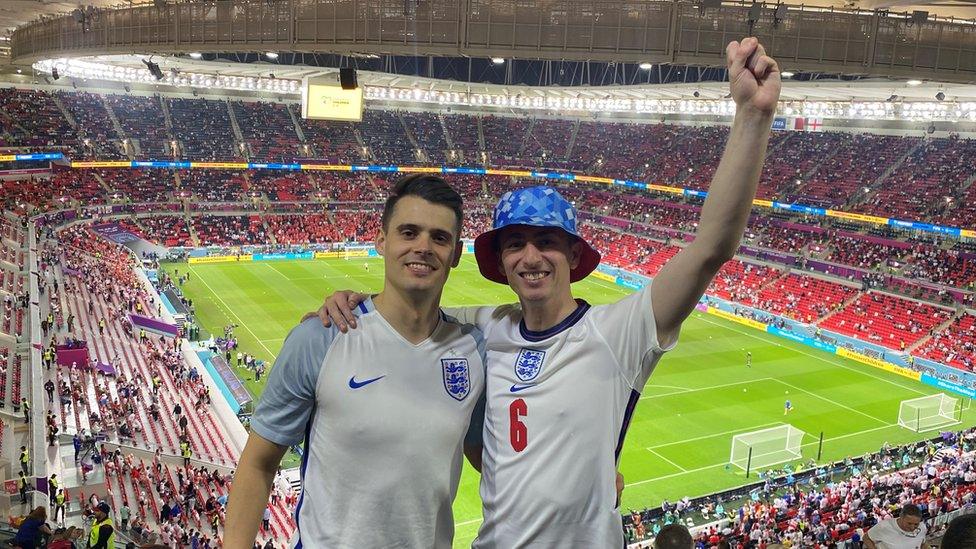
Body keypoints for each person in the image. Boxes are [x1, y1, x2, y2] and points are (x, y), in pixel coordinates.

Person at [316, 36, 781, 548]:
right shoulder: (479, 330)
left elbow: (711, 246)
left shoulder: (617, 334)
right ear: (501, 262)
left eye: (547, 242)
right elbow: (402, 314)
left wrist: (753, 117)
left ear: (575, 257)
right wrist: (349, 300)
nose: (531, 257)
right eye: (515, 243)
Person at [224, 175, 487, 548]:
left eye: (439, 238)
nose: (423, 247)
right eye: (408, 232)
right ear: (381, 240)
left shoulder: (475, 349)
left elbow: (488, 460)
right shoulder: (320, 337)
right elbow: (258, 464)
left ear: (457, 253)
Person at [864, 503, 928, 549]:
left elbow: (922, 543)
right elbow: (866, 538)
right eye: (909, 523)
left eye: (916, 524)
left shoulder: (922, 527)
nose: (912, 527)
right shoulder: (884, 526)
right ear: (901, 517)